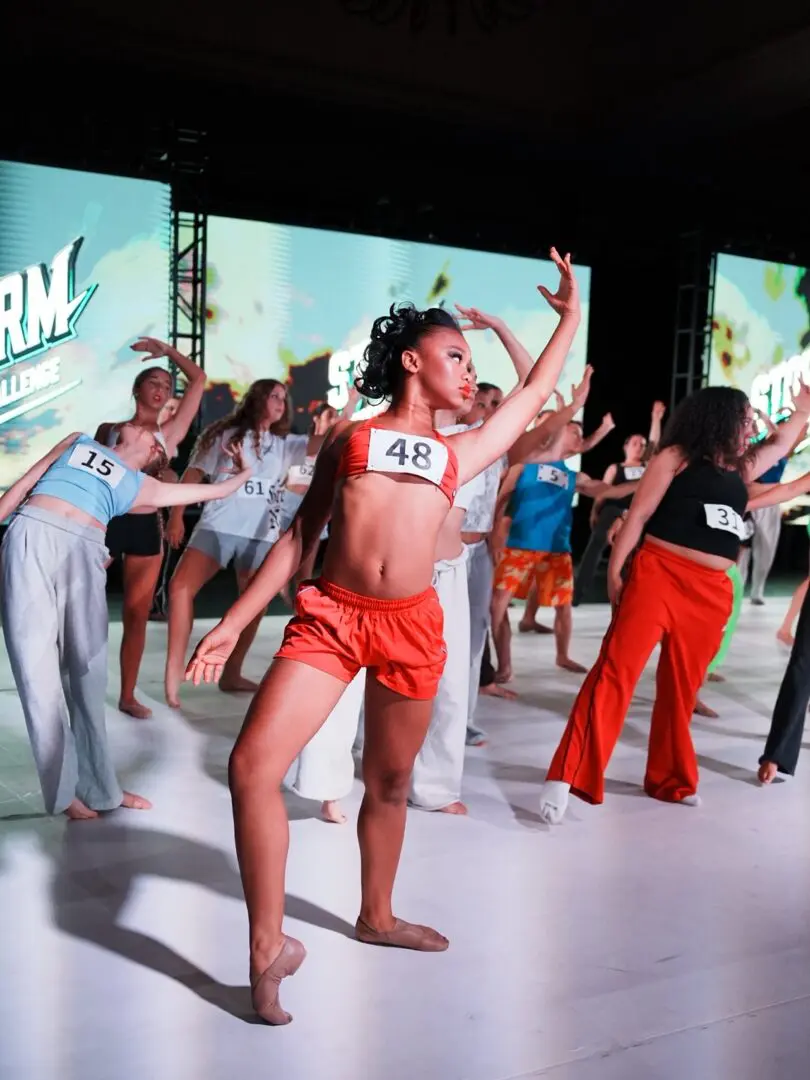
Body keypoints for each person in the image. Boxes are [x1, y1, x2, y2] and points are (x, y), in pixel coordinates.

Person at [184, 249, 581, 1025]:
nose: (469, 374)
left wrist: (568, 316)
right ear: (411, 361)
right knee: (250, 765)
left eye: (470, 362)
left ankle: (377, 914)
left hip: (410, 627)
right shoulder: (351, 440)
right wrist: (232, 622)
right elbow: (300, 539)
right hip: (330, 617)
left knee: (392, 783)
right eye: (456, 357)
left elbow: (533, 392)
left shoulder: (462, 451)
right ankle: (268, 949)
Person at [537, 383, 810, 825]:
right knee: (615, 674)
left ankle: (669, 779)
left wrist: (803, 412)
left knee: (681, 690)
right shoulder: (676, 457)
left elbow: (779, 445)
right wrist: (615, 570)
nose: (749, 428)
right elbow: (640, 514)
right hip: (658, 574)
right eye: (743, 419)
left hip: (712, 592)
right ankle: (566, 775)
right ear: (718, 419)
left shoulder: (739, 472)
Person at [0, 424, 250, 820]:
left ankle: (101, 789)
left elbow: (217, 490)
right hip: (29, 534)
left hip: (82, 547)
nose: (138, 424)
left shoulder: (141, 486)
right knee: (34, 672)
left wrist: (244, 469)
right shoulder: (78, 440)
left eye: (149, 432)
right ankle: (66, 795)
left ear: (152, 449)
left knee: (86, 676)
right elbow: (30, 478)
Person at [164, 379, 313, 708]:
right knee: (179, 589)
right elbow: (193, 473)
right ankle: (173, 674)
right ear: (257, 398)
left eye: (283, 398)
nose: (280, 402)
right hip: (218, 525)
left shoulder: (284, 444)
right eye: (273, 395)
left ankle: (231, 672)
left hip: (260, 533)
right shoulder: (224, 435)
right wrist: (176, 516)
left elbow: (317, 446)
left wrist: (349, 404)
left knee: (254, 605)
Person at [95, 340, 205, 718]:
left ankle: (127, 695)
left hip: (144, 526)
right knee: (78, 604)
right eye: (153, 382)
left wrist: (168, 352)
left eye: (167, 385)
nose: (161, 389)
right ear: (137, 390)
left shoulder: (169, 434)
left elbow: (199, 379)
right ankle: (72, 681)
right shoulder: (109, 430)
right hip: (107, 523)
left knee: (136, 613)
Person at [573, 400, 666, 606]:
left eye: (642, 445)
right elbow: (603, 492)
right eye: (635, 443)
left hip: (637, 513)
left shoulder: (647, 466)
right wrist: (594, 513)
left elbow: (653, 442)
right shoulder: (616, 467)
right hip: (613, 510)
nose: (639, 447)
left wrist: (656, 419)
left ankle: (632, 594)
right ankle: (577, 594)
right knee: (596, 547)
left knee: (635, 553)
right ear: (625, 447)